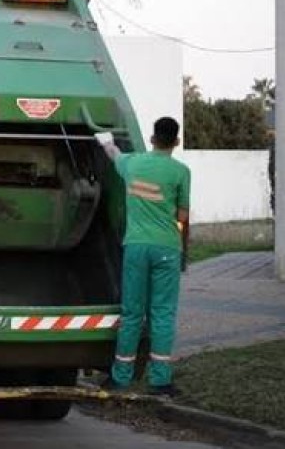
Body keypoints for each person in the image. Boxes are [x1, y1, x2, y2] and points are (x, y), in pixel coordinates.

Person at [95, 117, 191, 397]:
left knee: (132, 313)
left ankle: (120, 378)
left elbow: (113, 153)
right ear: (176, 141)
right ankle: (160, 380)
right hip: (167, 248)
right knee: (162, 313)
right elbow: (182, 215)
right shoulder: (181, 172)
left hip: (136, 247)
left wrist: (106, 140)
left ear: (152, 139)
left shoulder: (132, 164)